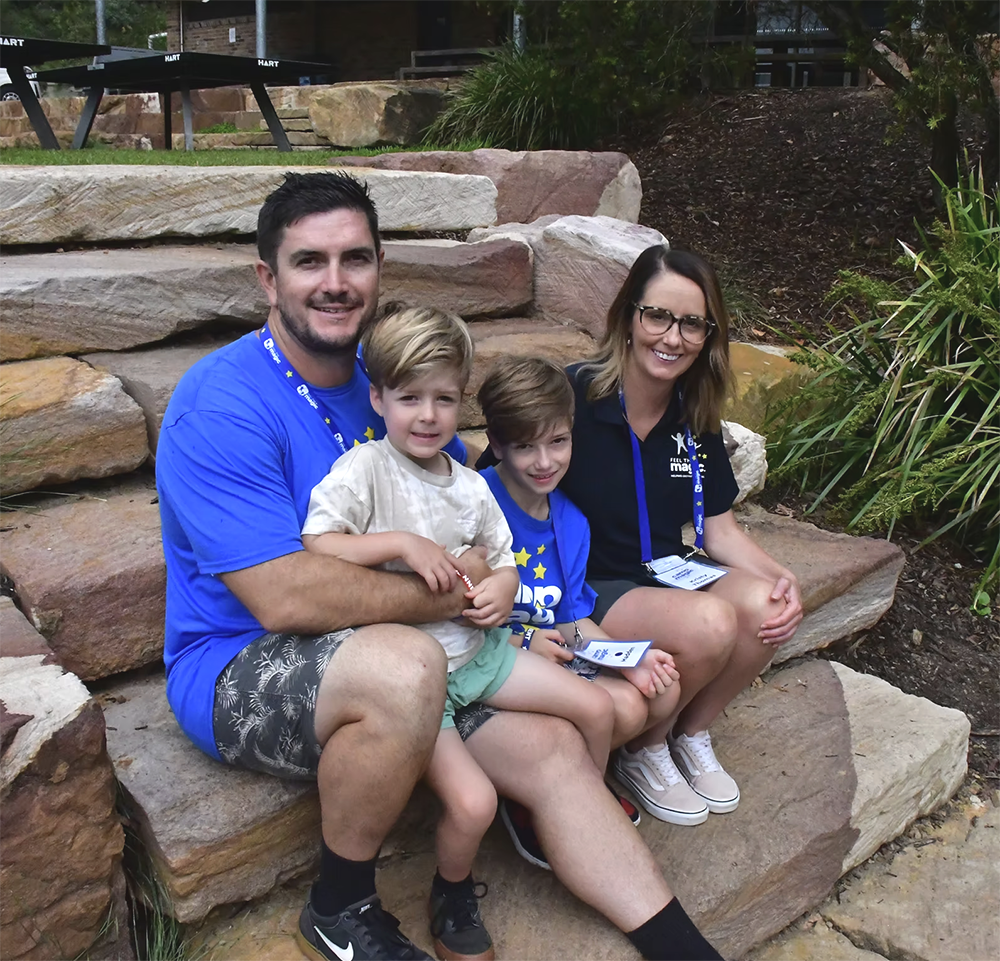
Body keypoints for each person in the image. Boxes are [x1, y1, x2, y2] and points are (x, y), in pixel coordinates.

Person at [156, 171, 727, 961]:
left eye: (355, 258)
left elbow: (465, 519)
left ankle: (679, 945)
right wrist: (451, 597)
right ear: (268, 277)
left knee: (559, 748)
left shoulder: (395, 380)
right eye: (308, 262)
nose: (334, 282)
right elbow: (282, 594)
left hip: (436, 651)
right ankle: (340, 906)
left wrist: (494, 589)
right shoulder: (221, 405)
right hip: (240, 659)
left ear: (379, 269)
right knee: (405, 665)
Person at [300, 307, 618, 961]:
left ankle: (561, 816)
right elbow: (318, 541)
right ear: (379, 397)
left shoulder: (472, 485)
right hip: (424, 682)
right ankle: (451, 891)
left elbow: (500, 558)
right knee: (471, 803)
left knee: (597, 704)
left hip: (483, 652)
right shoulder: (367, 470)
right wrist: (399, 543)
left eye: (443, 398)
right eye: (409, 396)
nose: (426, 414)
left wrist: (503, 587)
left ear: (461, 402)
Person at [556, 244, 804, 827]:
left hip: (667, 571)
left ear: (708, 335)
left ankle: (687, 734)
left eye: (692, 323)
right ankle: (642, 750)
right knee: (712, 623)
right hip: (593, 586)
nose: (672, 337)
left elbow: (717, 528)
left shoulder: (693, 414)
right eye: (658, 316)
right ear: (628, 317)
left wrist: (781, 577)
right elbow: (505, 487)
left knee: (769, 603)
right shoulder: (574, 397)